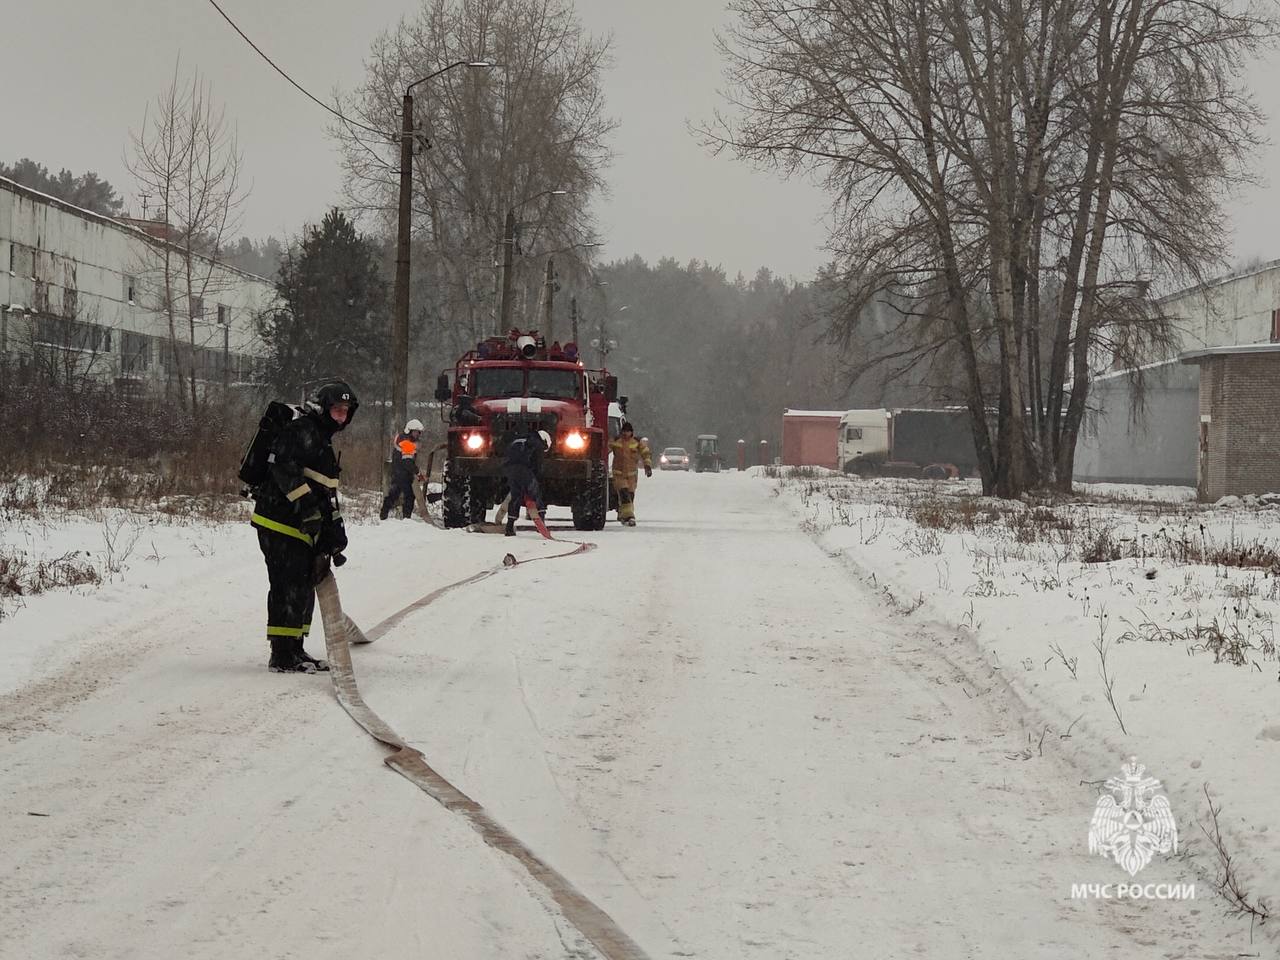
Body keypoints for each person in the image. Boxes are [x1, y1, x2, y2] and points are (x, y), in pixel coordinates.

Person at [251, 380, 357, 673]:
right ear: (323, 409)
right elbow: (282, 467)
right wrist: (307, 508)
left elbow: (324, 490)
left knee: (303, 584)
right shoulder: (301, 432)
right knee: (287, 584)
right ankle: (281, 655)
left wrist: (335, 530)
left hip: (298, 525)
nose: (341, 417)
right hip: (278, 521)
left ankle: (295, 648)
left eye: (345, 412)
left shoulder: (321, 439)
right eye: (336, 410)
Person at [503, 427, 550, 536]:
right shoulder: (536, 442)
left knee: (516, 497)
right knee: (536, 494)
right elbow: (537, 465)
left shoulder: (517, 441)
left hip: (511, 470)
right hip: (524, 470)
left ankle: (509, 526)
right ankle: (541, 524)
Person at [609, 421, 652, 526]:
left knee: (630, 496)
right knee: (624, 494)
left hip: (632, 475)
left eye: (628, 431)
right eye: (624, 431)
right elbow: (606, 449)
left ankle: (623, 514)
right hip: (618, 474)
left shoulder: (636, 442)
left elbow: (645, 453)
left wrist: (647, 466)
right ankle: (630, 517)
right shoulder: (616, 441)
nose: (626, 434)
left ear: (631, 432)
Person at [380, 418, 424, 520]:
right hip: (403, 474)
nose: (417, 435)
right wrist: (417, 472)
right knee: (409, 496)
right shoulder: (407, 442)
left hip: (398, 472)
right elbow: (408, 462)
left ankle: (384, 513)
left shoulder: (402, 438)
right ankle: (406, 518)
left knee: (393, 494)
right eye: (416, 432)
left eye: (418, 433)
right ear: (410, 430)